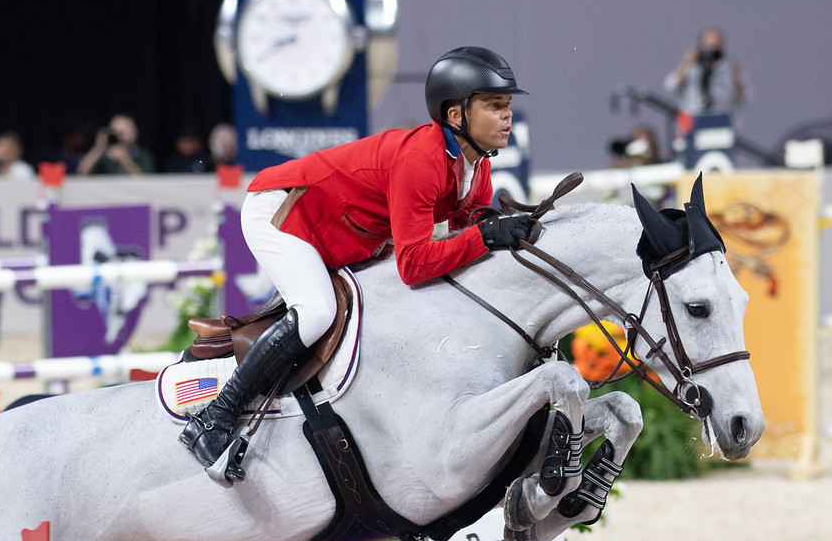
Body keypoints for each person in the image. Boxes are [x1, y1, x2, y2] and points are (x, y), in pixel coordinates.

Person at [179, 45, 532, 479]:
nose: (507, 116)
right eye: (494, 106)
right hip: (282, 211)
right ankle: (215, 417)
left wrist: (504, 228)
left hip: (340, 230)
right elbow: (415, 263)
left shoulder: (476, 168)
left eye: (508, 106)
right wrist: (483, 237)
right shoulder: (421, 159)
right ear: (456, 116)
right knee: (316, 311)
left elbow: (469, 226)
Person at [665, 28, 746, 117]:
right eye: (708, 46)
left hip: (721, 120)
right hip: (692, 120)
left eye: (716, 47)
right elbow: (670, 86)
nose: (711, 51)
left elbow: (742, 100)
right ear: (701, 47)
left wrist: (737, 81)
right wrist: (685, 63)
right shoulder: (691, 67)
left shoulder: (730, 69)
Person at [77, 114, 153, 175]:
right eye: (115, 131)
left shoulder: (142, 155)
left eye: (122, 132)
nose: (119, 136)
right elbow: (81, 173)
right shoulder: (103, 155)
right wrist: (98, 148)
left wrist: (124, 159)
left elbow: (144, 181)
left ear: (135, 133)